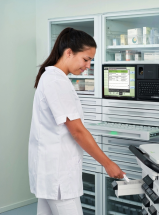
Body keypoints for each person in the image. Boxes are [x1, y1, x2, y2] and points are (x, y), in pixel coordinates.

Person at [29, 27, 125, 215]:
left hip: (50, 171)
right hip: (58, 175)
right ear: (69, 52)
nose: (88, 65)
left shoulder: (53, 78)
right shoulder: (56, 81)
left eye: (91, 60)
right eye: (86, 59)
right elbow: (77, 131)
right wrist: (107, 163)